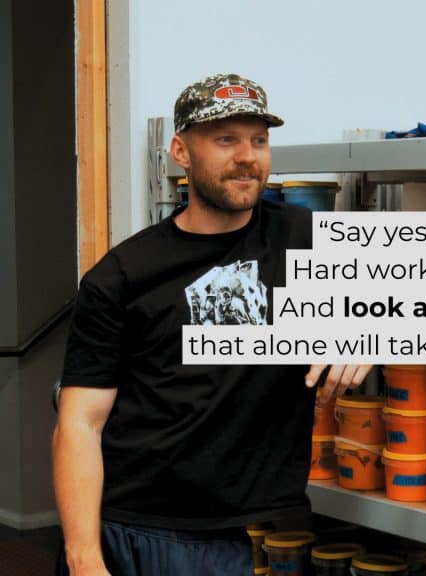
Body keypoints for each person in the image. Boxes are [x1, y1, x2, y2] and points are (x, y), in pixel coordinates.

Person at [53, 73, 371, 575]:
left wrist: (368, 324)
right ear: (181, 152)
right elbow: (79, 422)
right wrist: (83, 557)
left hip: (239, 531)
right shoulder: (123, 275)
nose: (247, 156)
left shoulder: (304, 238)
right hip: (134, 528)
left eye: (259, 140)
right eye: (226, 139)